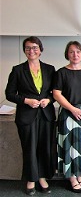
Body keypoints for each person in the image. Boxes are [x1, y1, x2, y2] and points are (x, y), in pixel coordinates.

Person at [5, 36, 56, 195]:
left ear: (40, 50)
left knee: (44, 147)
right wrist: (26, 100)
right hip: (26, 115)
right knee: (29, 148)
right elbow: (10, 94)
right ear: (24, 51)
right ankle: (31, 179)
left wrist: (48, 100)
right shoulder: (17, 70)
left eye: (34, 47)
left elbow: (56, 93)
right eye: (27, 48)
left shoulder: (50, 69)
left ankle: (42, 177)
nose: (31, 51)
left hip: (46, 115)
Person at [53, 41, 81, 193]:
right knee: (70, 146)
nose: (75, 55)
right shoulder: (61, 72)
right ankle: (72, 176)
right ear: (67, 54)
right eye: (72, 52)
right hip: (68, 113)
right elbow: (56, 94)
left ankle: (79, 174)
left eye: (78, 52)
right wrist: (73, 109)